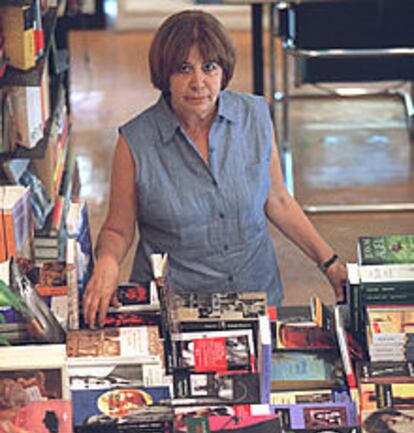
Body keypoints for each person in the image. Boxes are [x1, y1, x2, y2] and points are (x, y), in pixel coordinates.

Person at [82, 10, 347, 328]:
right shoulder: (135, 141)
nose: (198, 83)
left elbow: (276, 199)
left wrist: (329, 262)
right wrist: (107, 263)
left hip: (256, 300)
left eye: (209, 67)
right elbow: (117, 229)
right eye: (184, 69)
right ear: (165, 74)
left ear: (223, 70)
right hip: (176, 313)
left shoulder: (255, 116)